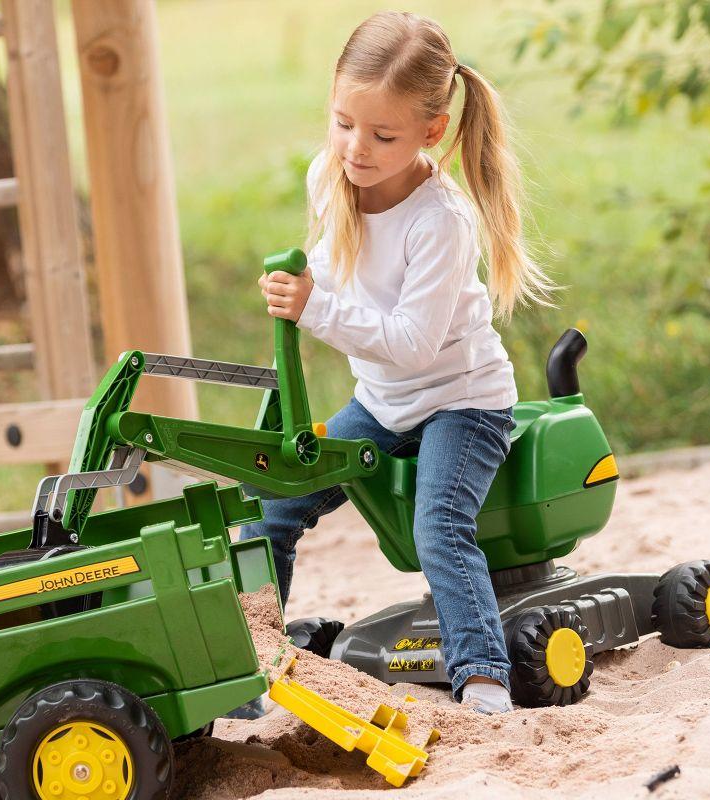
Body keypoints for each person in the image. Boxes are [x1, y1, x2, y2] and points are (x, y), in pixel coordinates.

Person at [239, 10, 555, 715]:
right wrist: (303, 290)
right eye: (344, 121)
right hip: (384, 403)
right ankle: (248, 666)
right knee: (274, 503)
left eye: (382, 135)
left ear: (431, 132)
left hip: (460, 400)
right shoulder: (331, 176)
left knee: (437, 523)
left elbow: (413, 343)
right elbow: (332, 269)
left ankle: (481, 678)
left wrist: (313, 306)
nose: (356, 147)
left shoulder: (441, 220)